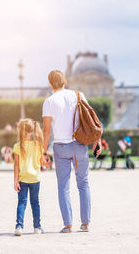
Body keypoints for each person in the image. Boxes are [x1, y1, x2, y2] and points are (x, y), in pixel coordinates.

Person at [42, 70, 101, 233]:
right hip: (79, 145)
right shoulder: (79, 95)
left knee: (63, 187)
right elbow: (91, 120)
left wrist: (43, 151)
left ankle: (68, 225)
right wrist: (97, 141)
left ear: (50, 83)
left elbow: (46, 131)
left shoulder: (49, 101)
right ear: (64, 81)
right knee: (83, 183)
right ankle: (85, 223)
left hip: (60, 146)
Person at [13, 118, 44, 236]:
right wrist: (46, 162)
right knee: (35, 203)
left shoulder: (17, 146)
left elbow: (16, 165)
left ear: (21, 130)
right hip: (35, 178)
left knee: (22, 203)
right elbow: (41, 162)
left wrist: (15, 181)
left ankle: (19, 227)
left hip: (23, 179)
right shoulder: (38, 145)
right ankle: (37, 228)